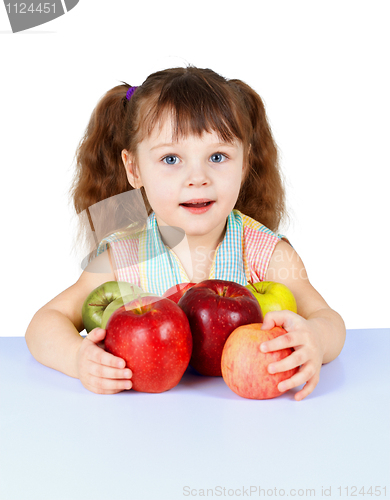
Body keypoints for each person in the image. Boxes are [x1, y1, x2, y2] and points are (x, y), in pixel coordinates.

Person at [25, 66, 346, 399]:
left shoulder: (266, 253)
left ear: (245, 163)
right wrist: (78, 359)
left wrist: (315, 341)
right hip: (146, 425)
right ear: (134, 169)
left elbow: (327, 318)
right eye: (171, 158)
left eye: (218, 156)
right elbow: (44, 323)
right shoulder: (125, 258)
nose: (197, 177)